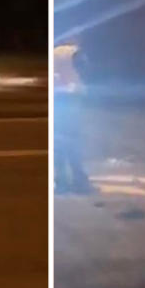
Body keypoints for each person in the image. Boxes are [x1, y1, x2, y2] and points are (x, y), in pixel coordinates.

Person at [53, 34, 92, 194]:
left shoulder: (54, 52)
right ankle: (79, 181)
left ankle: (61, 182)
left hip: (56, 98)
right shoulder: (76, 52)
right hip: (71, 98)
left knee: (58, 143)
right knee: (74, 141)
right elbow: (85, 71)